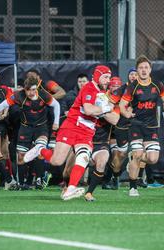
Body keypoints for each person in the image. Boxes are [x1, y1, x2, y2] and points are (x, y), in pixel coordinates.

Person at [23, 65, 114, 200]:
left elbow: (112, 117)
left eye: (109, 78)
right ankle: (40, 149)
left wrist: (110, 109)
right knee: (56, 161)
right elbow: (88, 110)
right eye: (105, 77)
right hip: (72, 126)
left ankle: (70, 189)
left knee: (83, 158)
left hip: (87, 131)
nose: (108, 80)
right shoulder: (89, 88)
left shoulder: (103, 93)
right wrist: (106, 108)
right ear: (97, 76)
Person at [0, 76, 60, 190]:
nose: (30, 92)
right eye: (27, 90)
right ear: (25, 89)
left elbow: (56, 105)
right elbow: (1, 106)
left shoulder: (43, 94)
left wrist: (56, 122)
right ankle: (23, 183)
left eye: (33, 90)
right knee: (21, 157)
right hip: (25, 128)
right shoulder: (19, 95)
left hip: (41, 128)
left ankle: (39, 179)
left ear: (36, 88)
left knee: (40, 150)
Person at [119, 55, 164, 197]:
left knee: (153, 159)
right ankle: (133, 188)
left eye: (146, 67)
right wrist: (127, 114)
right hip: (136, 125)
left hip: (151, 127)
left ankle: (135, 157)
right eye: (141, 68)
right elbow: (122, 105)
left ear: (150, 69)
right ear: (137, 70)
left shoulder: (157, 84)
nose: (143, 70)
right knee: (137, 155)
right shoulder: (132, 86)